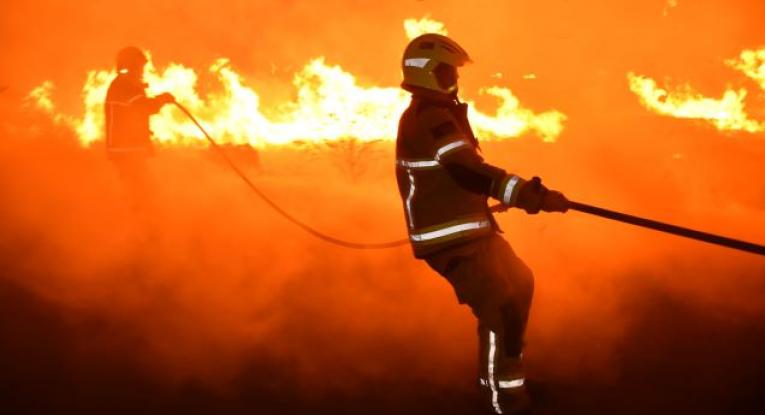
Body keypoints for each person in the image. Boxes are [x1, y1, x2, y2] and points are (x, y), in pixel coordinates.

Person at [395, 33, 569, 415]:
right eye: (448, 71)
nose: (454, 77)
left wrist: (530, 197)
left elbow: (462, 175)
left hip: (474, 232)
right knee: (501, 306)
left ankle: (503, 382)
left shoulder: (438, 113)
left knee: (520, 284)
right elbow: (467, 171)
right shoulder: (430, 119)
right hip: (451, 241)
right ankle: (504, 403)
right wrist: (526, 195)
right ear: (428, 73)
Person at [104, 46, 175, 211]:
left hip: (128, 150)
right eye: (140, 67)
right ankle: (142, 229)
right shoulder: (124, 84)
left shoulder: (125, 84)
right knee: (143, 194)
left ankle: (142, 226)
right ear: (131, 65)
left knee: (141, 192)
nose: (142, 71)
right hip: (126, 151)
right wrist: (162, 99)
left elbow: (135, 113)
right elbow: (143, 107)